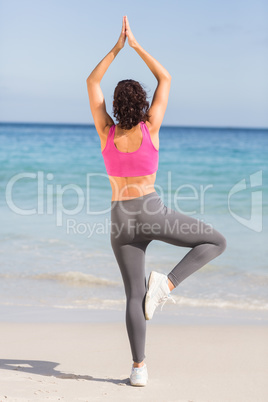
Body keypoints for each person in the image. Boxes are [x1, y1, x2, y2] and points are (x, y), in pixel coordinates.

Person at [86, 16, 227, 387]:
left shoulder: (106, 132)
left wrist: (116, 48)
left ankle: (138, 369)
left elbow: (91, 81)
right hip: (151, 212)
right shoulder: (151, 127)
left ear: (115, 105)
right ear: (144, 103)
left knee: (133, 295)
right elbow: (166, 78)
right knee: (217, 240)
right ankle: (166, 285)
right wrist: (136, 46)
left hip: (120, 220)